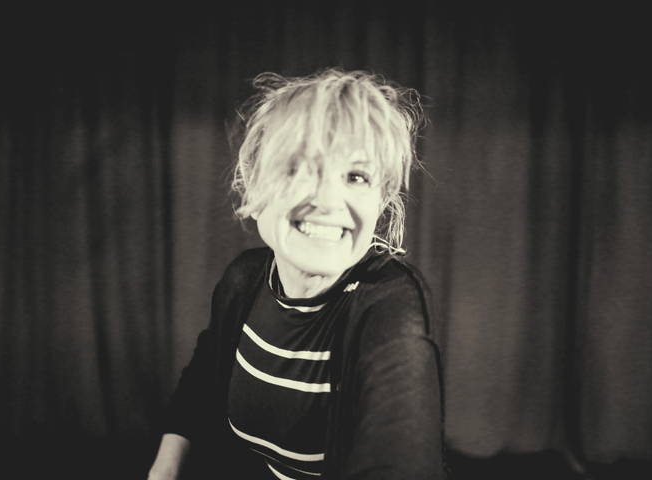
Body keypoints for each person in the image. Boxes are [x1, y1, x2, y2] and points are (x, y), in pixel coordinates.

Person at [148, 68, 446, 480]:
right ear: (253, 186)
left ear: (381, 201)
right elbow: (200, 385)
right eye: (297, 169)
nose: (328, 200)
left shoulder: (392, 303)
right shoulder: (243, 281)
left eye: (356, 176)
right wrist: (163, 472)